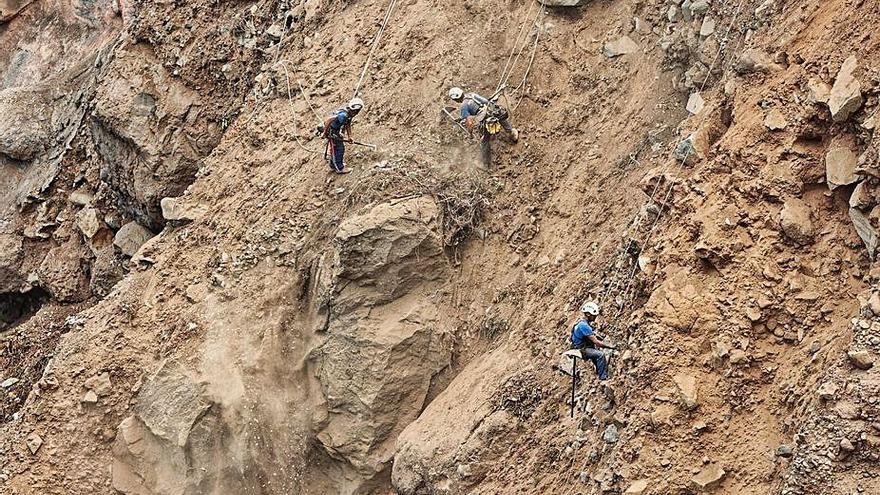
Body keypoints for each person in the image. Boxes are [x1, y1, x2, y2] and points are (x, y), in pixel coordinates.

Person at [447, 87, 519, 142]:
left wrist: (471, 134)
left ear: (455, 99)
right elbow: (485, 101)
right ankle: (511, 132)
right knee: (496, 112)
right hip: (490, 109)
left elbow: (469, 123)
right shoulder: (472, 95)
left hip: (484, 117)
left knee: (484, 139)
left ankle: (486, 159)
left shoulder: (463, 107)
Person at [570, 301, 615, 381]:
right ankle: (603, 378)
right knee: (600, 355)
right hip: (582, 349)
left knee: (596, 354)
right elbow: (596, 342)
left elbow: (591, 335)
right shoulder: (584, 326)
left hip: (579, 346)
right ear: (588, 314)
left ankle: (600, 371)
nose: (595, 317)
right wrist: (610, 347)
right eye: (594, 315)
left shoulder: (581, 322)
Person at [322, 97, 364, 174]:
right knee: (339, 149)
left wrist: (350, 136)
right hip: (332, 131)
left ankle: (333, 165)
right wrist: (324, 133)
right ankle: (339, 168)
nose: (357, 113)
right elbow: (329, 120)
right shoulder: (344, 115)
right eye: (357, 111)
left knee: (337, 148)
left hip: (335, 130)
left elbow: (348, 124)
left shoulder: (349, 114)